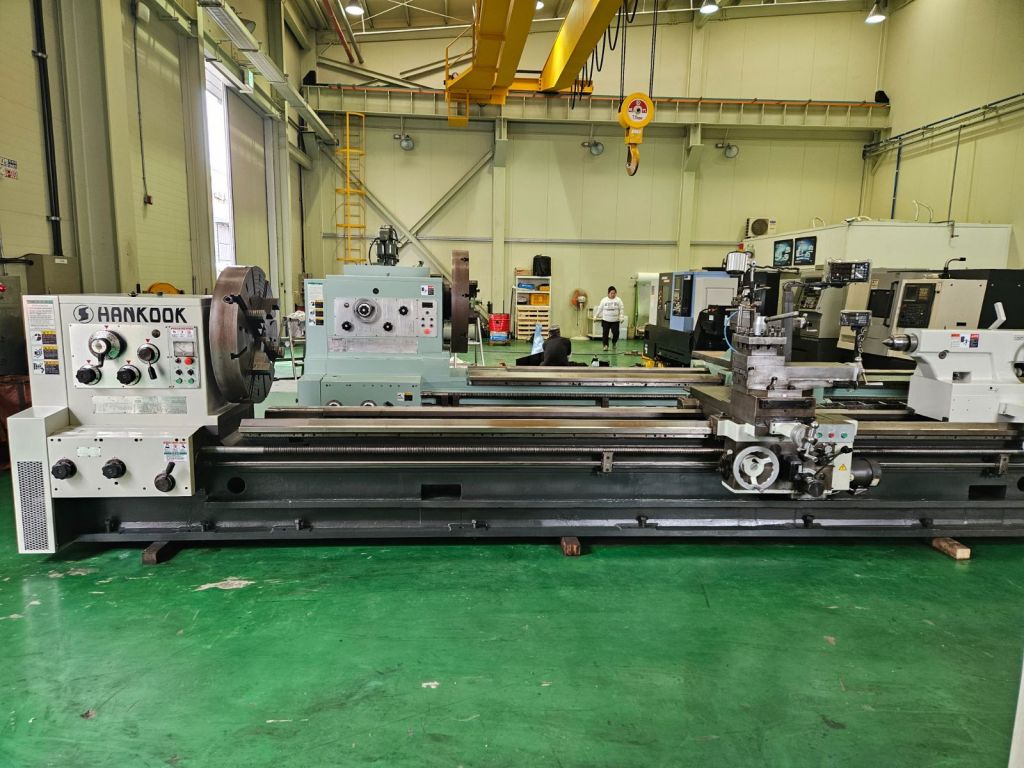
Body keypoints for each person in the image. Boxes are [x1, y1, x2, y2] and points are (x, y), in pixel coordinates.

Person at [594, 286, 625, 351]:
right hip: (606, 320)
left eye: (614, 293)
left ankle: (614, 342)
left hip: (615, 320)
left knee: (616, 333)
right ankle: (605, 345)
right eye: (611, 293)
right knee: (605, 333)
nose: (613, 294)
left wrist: (621, 317)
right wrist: (596, 316)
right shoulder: (604, 300)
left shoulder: (618, 300)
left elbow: (621, 309)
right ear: (608, 293)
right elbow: (600, 308)